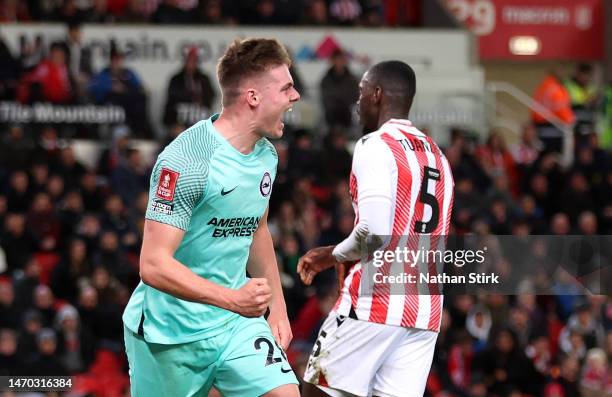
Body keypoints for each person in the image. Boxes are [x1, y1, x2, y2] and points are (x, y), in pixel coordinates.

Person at [122, 37, 300, 397]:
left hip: (237, 324)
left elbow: (258, 228)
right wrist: (232, 298)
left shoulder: (266, 155)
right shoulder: (187, 160)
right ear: (253, 97)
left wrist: (277, 308)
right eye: (286, 88)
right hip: (170, 333)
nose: (295, 96)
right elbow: (153, 265)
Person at [297, 60, 455, 397]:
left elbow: (373, 233)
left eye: (361, 92)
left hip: (376, 298)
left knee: (317, 390)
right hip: (424, 308)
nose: (358, 101)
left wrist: (331, 255)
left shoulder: (376, 145)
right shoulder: (439, 156)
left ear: (377, 94)